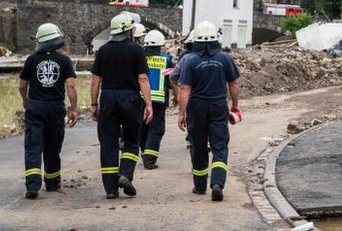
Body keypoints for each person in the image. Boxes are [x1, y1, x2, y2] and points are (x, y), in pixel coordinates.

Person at [91, 13, 153, 199]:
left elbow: (95, 81)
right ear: (128, 30)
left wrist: (94, 104)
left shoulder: (103, 51)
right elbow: (142, 78)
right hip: (130, 99)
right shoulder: (136, 50)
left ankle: (111, 189)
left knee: (108, 142)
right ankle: (125, 174)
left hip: (108, 98)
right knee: (132, 140)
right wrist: (148, 104)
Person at [177, 21, 241, 201]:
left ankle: (199, 186)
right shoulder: (225, 58)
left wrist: (181, 113)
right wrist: (235, 106)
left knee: (198, 145)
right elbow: (234, 84)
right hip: (218, 105)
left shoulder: (190, 60)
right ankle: (217, 184)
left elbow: (185, 89)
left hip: (196, 107)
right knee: (219, 146)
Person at [18, 23, 78, 199]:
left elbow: (22, 86)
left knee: (33, 146)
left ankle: (32, 185)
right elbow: (71, 85)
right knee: (53, 145)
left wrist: (26, 101)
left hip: (35, 106)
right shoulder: (64, 60)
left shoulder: (31, 60)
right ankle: (52, 183)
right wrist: (73, 109)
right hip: (55, 107)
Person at [139, 30, 172, 169]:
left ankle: (144, 153)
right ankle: (150, 160)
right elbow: (171, 80)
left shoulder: (140, 59)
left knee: (143, 128)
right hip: (158, 102)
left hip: (141, 99)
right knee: (156, 129)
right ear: (161, 45)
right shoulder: (166, 60)